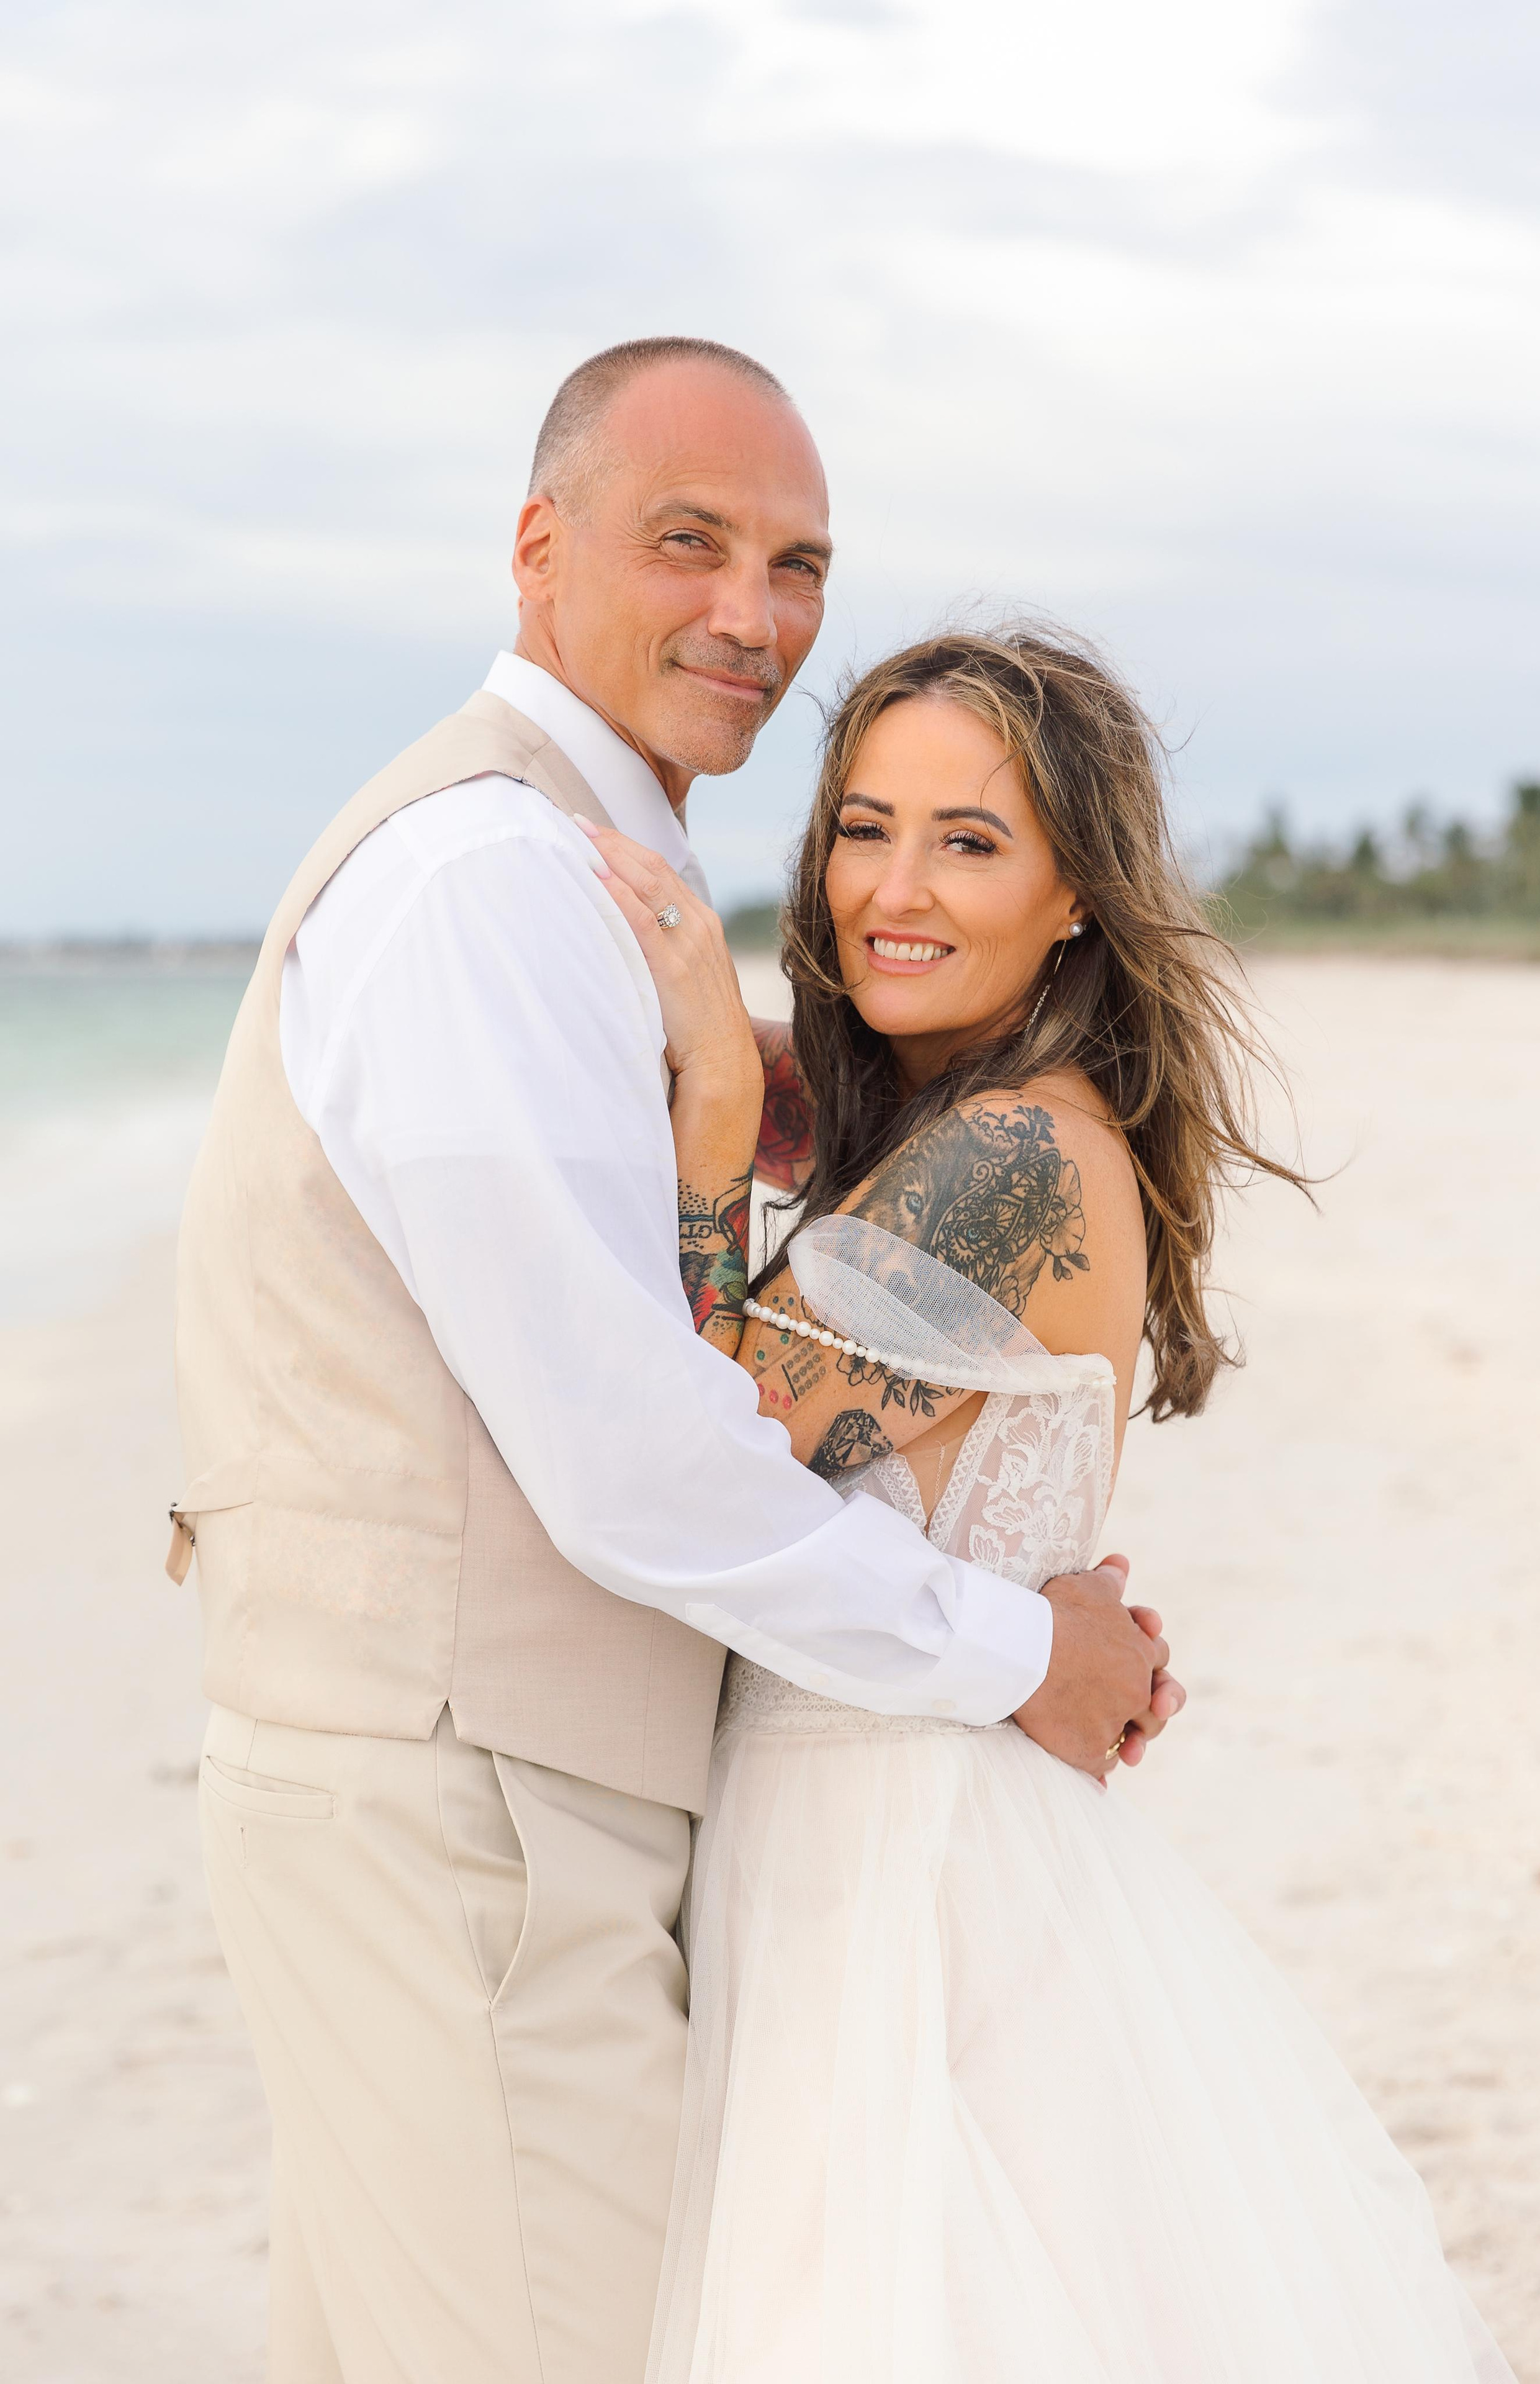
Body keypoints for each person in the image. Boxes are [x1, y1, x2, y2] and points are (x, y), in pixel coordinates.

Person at [168, 341, 1181, 2383]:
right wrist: (1023, 1650)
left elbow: (703, 1405)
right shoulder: (494, 880)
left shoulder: (597, 899)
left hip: (681, 1828)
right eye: (690, 543)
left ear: (1076, 893)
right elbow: (642, 1458)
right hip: (478, 1808)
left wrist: (726, 1137)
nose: (753, 611)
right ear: (541, 550)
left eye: (797, 561)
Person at [586, 625, 1516, 2383]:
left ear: (1076, 889)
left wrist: (715, 1091)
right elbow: (799, 1103)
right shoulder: (960, 1116)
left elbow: (710, 1441)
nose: (893, 887)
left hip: (900, 1855)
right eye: (864, 827)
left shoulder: (1010, 1157)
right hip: (917, 1805)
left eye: (969, 839)